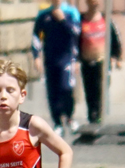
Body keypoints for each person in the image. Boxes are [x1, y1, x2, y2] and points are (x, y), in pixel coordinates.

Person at [32, 0, 81, 136]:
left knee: (66, 88)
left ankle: (70, 116)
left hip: (67, 59)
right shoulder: (43, 15)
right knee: (53, 91)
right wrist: (36, 56)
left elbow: (76, 32)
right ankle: (57, 122)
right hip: (50, 59)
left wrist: (63, 20)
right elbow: (36, 36)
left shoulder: (71, 13)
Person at [79, 0, 123, 124]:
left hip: (102, 63)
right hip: (87, 62)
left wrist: (117, 57)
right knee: (89, 90)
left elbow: (115, 39)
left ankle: (99, 114)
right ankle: (92, 115)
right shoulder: (82, 21)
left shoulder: (106, 21)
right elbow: (76, 40)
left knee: (101, 90)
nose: (94, 4)